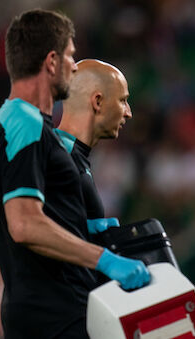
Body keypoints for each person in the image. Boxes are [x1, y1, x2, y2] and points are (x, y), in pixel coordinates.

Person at [0, 9, 149, 338]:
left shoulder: (6, 121)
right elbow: (24, 224)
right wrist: (103, 259)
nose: (74, 66)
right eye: (71, 55)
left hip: (40, 312)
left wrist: (79, 227)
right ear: (52, 61)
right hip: (55, 315)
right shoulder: (26, 122)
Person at [56, 59, 132, 233]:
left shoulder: (69, 155)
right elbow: (24, 226)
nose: (128, 113)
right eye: (122, 101)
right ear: (97, 101)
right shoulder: (57, 156)